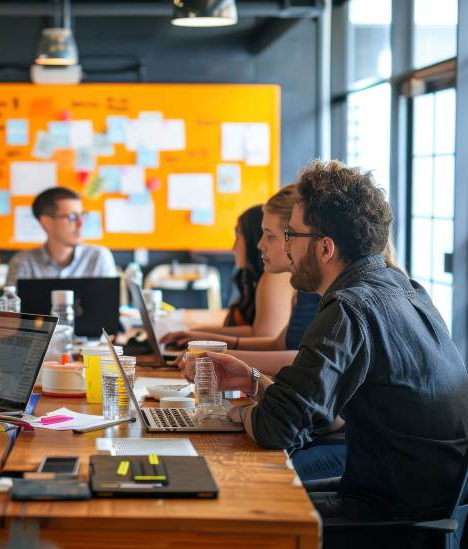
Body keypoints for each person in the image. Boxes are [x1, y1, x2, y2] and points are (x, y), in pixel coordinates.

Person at [186, 160, 468, 526]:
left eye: (292, 234)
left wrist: (229, 414)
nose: (285, 247)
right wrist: (254, 381)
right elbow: (316, 410)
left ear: (325, 249)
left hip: (397, 514)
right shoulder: (404, 288)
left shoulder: (349, 308)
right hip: (423, 498)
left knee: (237, 513)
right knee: (254, 494)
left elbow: (276, 429)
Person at [163, 188, 320, 371]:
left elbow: (306, 361)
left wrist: (216, 355)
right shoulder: (304, 288)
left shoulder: (311, 289)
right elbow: (279, 345)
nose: (260, 245)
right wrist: (205, 344)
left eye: (270, 236)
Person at [163, 205, 294, 348]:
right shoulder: (255, 279)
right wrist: (195, 333)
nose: (233, 247)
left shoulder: (274, 278)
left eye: (238, 236)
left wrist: (201, 337)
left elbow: (264, 338)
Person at [6, 187, 117, 285]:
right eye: (72, 217)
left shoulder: (99, 257)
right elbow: (10, 306)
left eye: (82, 215)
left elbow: (110, 306)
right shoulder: (22, 262)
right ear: (46, 222)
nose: (81, 223)